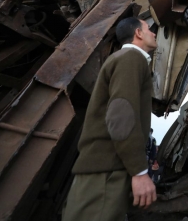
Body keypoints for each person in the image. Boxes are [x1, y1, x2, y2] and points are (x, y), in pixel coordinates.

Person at [63, 17, 158, 221]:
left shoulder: (124, 59)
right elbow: (121, 116)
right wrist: (139, 172)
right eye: (149, 29)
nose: (154, 33)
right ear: (138, 34)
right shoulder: (131, 58)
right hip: (106, 171)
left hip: (104, 169)